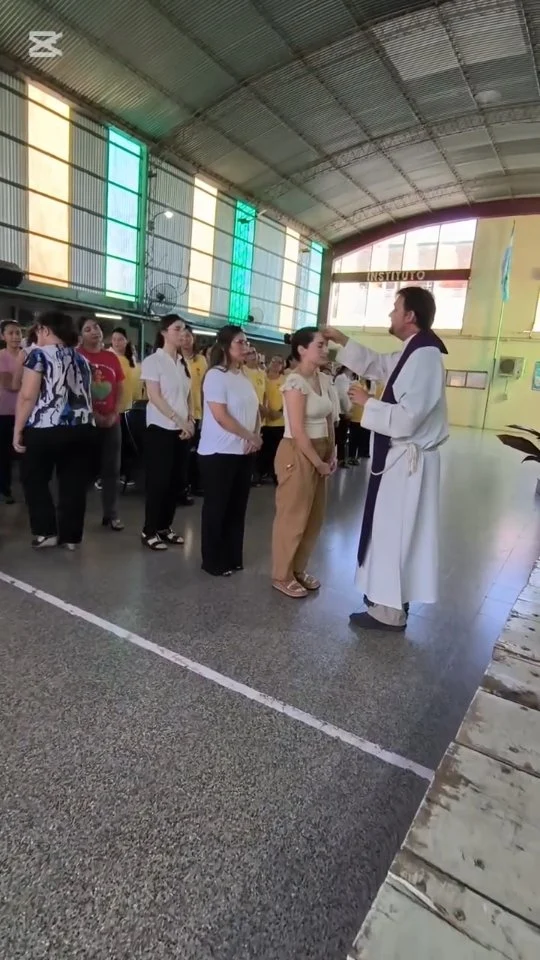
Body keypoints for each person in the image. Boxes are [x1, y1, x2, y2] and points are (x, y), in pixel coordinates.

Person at [323, 285, 449, 631]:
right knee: (392, 532)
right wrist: (342, 339)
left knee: (396, 534)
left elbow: (409, 417)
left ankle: (390, 611)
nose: (390, 314)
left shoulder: (424, 356)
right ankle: (386, 599)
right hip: (403, 462)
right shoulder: (413, 351)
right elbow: (380, 364)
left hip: (409, 462)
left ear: (410, 316)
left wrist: (368, 401)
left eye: (395, 308)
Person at [13, 310, 95, 549]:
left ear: (45, 329)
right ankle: (71, 537)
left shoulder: (39, 355)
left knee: (34, 478)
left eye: (37, 329)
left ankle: (46, 532)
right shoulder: (83, 360)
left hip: (46, 427)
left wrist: (18, 429)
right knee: (73, 484)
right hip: (82, 429)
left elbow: (28, 396)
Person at [271, 327, 336, 598]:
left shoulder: (324, 379)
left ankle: (298, 568)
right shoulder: (295, 382)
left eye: (325, 346)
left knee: (313, 517)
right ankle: (281, 574)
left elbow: (331, 418)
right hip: (298, 453)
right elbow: (298, 430)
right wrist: (317, 463)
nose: (324, 350)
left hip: (320, 451)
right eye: (319, 345)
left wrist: (332, 453)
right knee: (293, 516)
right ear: (301, 349)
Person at [198, 325, 261, 577]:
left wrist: (256, 436)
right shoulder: (215, 376)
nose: (245, 347)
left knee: (237, 508)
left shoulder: (243, 376)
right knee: (217, 508)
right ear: (225, 346)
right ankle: (213, 561)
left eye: (246, 343)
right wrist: (250, 436)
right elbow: (221, 416)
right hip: (218, 452)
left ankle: (233, 557)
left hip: (244, 451)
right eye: (240, 343)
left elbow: (255, 410)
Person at [140, 314, 193, 551]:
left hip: (181, 429)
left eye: (184, 329)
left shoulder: (183, 362)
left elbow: (188, 395)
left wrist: (190, 419)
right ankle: (149, 529)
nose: (183, 333)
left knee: (176, 481)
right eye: (177, 329)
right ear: (164, 332)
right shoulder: (154, 361)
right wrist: (178, 420)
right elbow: (155, 396)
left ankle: (164, 527)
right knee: (159, 482)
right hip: (160, 428)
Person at [78, 318, 125, 531]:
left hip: (112, 422)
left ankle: (111, 515)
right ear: (80, 335)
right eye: (87, 329)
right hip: (84, 423)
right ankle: (74, 516)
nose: (93, 331)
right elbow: (74, 391)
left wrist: (114, 413)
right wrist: (94, 414)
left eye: (95, 327)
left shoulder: (111, 357)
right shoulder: (76, 356)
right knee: (81, 471)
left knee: (111, 471)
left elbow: (120, 387)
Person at [180, 322, 207, 497]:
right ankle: (183, 487)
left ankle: (196, 484)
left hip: (199, 413)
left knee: (197, 451)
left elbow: (206, 386)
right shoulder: (175, 359)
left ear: (193, 338)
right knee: (183, 453)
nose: (185, 340)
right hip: (181, 414)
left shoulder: (201, 360)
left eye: (188, 336)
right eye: (182, 337)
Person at [109, 326, 138, 487]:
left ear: (126, 341)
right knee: (112, 444)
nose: (117, 342)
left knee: (126, 443)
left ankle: (125, 473)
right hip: (113, 409)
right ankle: (105, 476)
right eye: (114, 339)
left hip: (128, 409)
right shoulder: (109, 357)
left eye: (120, 339)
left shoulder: (131, 359)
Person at [0, 319, 23, 503]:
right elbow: (9, 384)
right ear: (3, 336)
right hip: (5, 413)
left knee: (26, 453)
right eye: (11, 333)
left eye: (18, 332)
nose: (15, 336)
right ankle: (4, 490)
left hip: (25, 413)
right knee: (4, 456)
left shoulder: (29, 355)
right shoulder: (1, 357)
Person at [244, 346, 267, 485]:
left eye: (254, 352)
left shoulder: (262, 373)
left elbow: (264, 393)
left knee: (258, 444)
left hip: (260, 414)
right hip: (249, 411)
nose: (253, 355)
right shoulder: (243, 371)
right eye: (250, 353)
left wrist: (264, 408)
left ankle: (255, 473)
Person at [261, 355, 285, 484]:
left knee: (278, 450)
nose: (276, 364)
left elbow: (288, 400)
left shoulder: (285, 380)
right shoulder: (262, 377)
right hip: (264, 419)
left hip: (280, 420)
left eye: (279, 362)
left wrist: (279, 412)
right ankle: (264, 472)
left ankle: (276, 474)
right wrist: (267, 411)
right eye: (273, 361)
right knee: (266, 449)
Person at [348, 374, 371, 463]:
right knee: (353, 438)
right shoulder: (355, 384)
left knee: (363, 438)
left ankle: (360, 456)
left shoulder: (371, 385)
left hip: (365, 417)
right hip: (355, 416)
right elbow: (350, 398)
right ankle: (351, 456)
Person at [333, 365, 352, 467]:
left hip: (342, 410)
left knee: (340, 437)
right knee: (340, 437)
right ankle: (340, 459)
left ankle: (340, 459)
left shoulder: (345, 378)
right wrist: (346, 411)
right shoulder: (342, 378)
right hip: (341, 412)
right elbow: (342, 396)